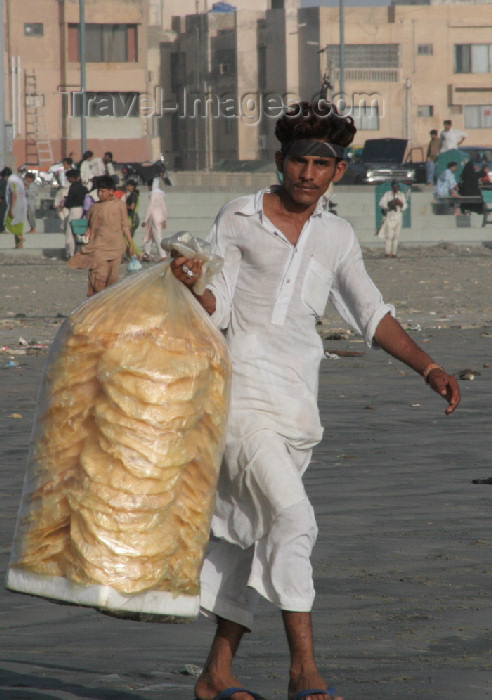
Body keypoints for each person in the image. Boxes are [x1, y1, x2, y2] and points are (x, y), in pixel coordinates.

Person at [170, 100, 461, 700]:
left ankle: (215, 675)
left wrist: (427, 366)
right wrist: (192, 286)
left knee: (254, 532)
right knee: (295, 520)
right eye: (298, 160)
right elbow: (218, 304)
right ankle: (304, 670)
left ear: (338, 173)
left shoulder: (336, 235)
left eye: (319, 164)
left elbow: (370, 312)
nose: (307, 172)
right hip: (239, 398)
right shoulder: (240, 216)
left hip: (298, 406)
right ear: (280, 162)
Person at [67, 175, 133, 296]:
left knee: (112, 279)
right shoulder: (94, 207)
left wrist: (130, 244)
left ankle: (107, 307)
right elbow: (91, 226)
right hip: (99, 246)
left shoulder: (120, 205)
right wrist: (88, 233)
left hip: (116, 246)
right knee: (99, 277)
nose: (99, 194)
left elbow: (124, 225)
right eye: (98, 191)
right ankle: (96, 303)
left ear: (111, 191)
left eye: (103, 191)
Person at [378, 180, 407, 258]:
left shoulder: (401, 195)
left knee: (396, 235)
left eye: (397, 186)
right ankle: (387, 252)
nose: (396, 188)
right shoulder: (387, 194)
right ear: (392, 186)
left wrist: (400, 203)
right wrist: (390, 203)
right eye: (394, 186)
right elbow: (381, 203)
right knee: (389, 235)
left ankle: (394, 253)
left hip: (398, 216)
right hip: (390, 216)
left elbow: (404, 207)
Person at [63, 170, 88, 259]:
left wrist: (65, 204)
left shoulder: (73, 187)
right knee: (78, 231)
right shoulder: (83, 188)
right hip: (82, 209)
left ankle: (70, 253)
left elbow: (68, 202)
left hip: (74, 209)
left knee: (70, 232)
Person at [0, 166, 27, 248]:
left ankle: (19, 237)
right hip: (21, 203)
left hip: (16, 205)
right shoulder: (16, 179)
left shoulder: (12, 181)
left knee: (8, 222)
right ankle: (19, 244)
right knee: (18, 225)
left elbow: (14, 195)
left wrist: (11, 209)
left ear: (5, 176)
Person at [141, 178, 167, 262]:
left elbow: (150, 207)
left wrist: (145, 219)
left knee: (157, 237)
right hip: (160, 217)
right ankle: (146, 253)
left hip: (154, 218)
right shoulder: (161, 194)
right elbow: (164, 207)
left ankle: (163, 255)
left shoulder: (153, 194)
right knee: (150, 235)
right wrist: (164, 219)